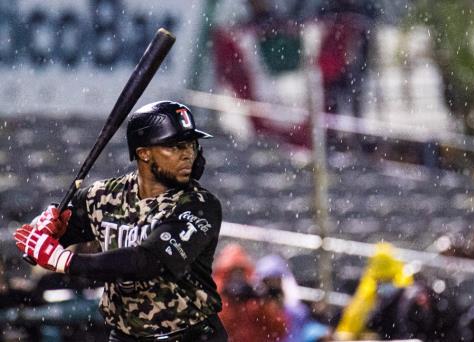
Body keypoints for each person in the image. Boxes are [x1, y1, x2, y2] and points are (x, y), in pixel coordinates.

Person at [14, 101, 228, 341]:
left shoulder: (200, 205)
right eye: (175, 146)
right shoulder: (104, 196)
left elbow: (147, 262)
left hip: (189, 335)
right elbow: (35, 246)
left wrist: (64, 261)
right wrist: (48, 229)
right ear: (144, 153)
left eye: (191, 144)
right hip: (124, 335)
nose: (189, 153)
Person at [214, 244, 288, 342]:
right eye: (232, 273)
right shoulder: (216, 299)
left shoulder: (253, 301)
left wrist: (264, 301)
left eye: (240, 272)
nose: (237, 278)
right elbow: (217, 328)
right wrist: (228, 302)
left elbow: (279, 329)